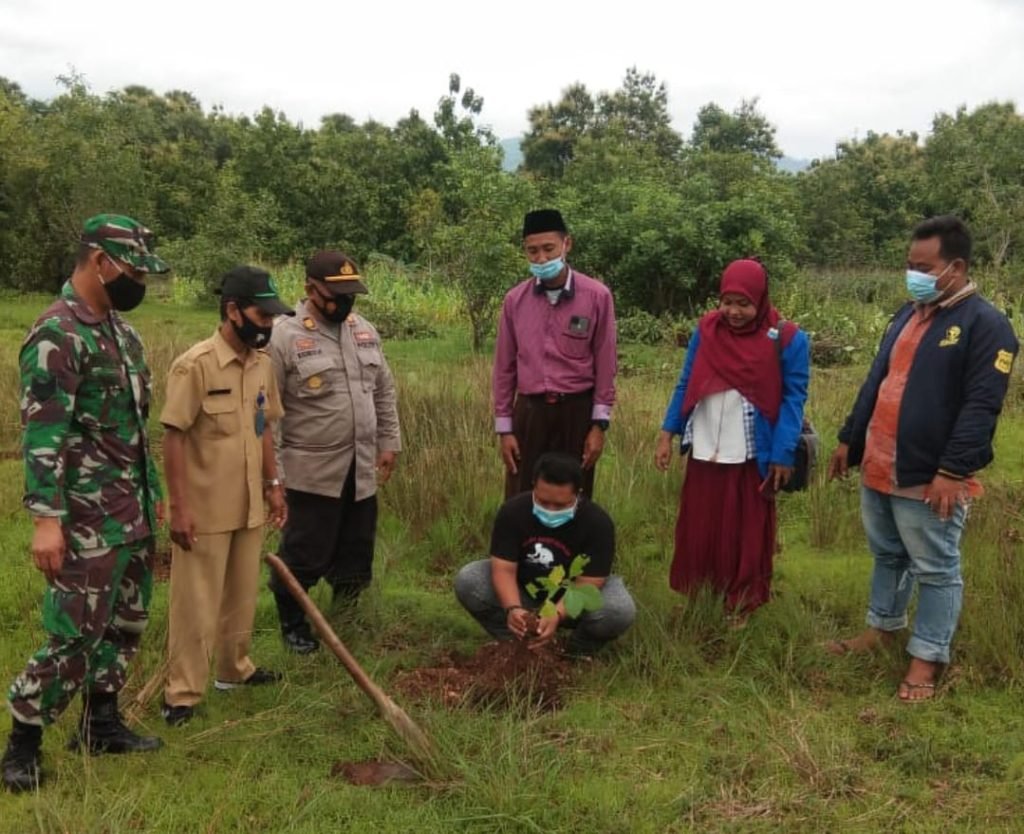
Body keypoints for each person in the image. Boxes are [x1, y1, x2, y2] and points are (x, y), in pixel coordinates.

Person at [2, 215, 169, 793]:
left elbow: (136, 430)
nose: (138, 282)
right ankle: (23, 740)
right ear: (99, 262)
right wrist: (46, 520)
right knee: (74, 633)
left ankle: (102, 724)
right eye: (132, 269)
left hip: (131, 510)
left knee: (125, 622)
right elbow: (44, 435)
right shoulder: (58, 333)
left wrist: (156, 497)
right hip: (84, 519)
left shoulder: (120, 333)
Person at [826, 216, 1018, 701]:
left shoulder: (986, 326)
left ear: (955, 267)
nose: (913, 275)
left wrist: (953, 471)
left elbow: (981, 406)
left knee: (935, 567)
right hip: (879, 463)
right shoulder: (907, 313)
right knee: (888, 554)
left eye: (923, 267)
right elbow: (878, 380)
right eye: (909, 265)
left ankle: (926, 659)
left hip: (928, 474)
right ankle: (881, 629)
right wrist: (850, 439)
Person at [159, 266, 291, 727]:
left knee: (241, 595)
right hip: (203, 507)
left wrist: (274, 487)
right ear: (233, 311)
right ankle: (183, 693)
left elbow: (264, 429)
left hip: (249, 502)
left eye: (274, 316)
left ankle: (234, 669)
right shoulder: (194, 365)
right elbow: (173, 437)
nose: (269, 324)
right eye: (261, 314)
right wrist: (177, 506)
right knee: (195, 602)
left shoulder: (262, 366)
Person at [654, 259, 810, 617]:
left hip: (753, 452)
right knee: (701, 525)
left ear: (761, 300)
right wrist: (667, 432)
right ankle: (700, 594)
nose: (734, 312)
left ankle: (741, 602)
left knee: (746, 530)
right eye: (727, 302)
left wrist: (783, 453)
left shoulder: (788, 338)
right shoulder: (706, 330)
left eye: (744, 303)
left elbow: (793, 398)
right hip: (706, 448)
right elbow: (686, 381)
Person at [268, 251, 401, 654]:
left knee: (355, 552)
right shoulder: (284, 336)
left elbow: (383, 391)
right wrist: (272, 476)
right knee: (305, 553)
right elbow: (267, 414)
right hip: (311, 470)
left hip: (360, 469)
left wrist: (389, 442)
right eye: (336, 295)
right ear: (310, 288)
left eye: (351, 294)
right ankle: (294, 625)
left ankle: (346, 619)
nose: (345, 303)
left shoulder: (363, 330)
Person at [454, 452, 636, 656]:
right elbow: (503, 569)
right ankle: (519, 642)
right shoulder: (513, 511)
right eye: (542, 501)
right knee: (469, 579)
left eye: (560, 505)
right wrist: (513, 608)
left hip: (574, 596)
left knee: (618, 610)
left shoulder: (598, 523)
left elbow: (589, 582)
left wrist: (556, 614)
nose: (549, 510)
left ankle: (574, 653)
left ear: (578, 494)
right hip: (526, 592)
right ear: (533, 485)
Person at [493, 209, 617, 499]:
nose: (541, 259)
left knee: (575, 495)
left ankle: (570, 547)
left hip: (576, 412)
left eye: (548, 249)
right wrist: (505, 429)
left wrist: (598, 425)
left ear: (566, 244)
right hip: (530, 412)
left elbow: (606, 362)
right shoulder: (515, 301)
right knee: (522, 494)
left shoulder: (597, 297)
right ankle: (522, 546)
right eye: (532, 251)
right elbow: (504, 368)